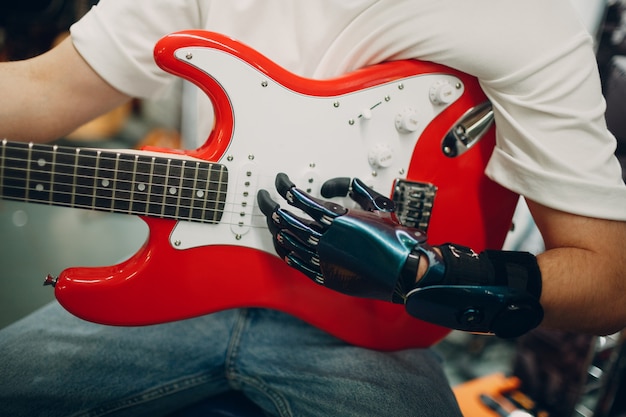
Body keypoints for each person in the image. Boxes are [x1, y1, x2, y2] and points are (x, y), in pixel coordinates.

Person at [1, 1, 625, 416]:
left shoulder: (522, 21)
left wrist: (424, 273)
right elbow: (49, 89)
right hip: (185, 292)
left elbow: (610, 280)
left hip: (371, 338)